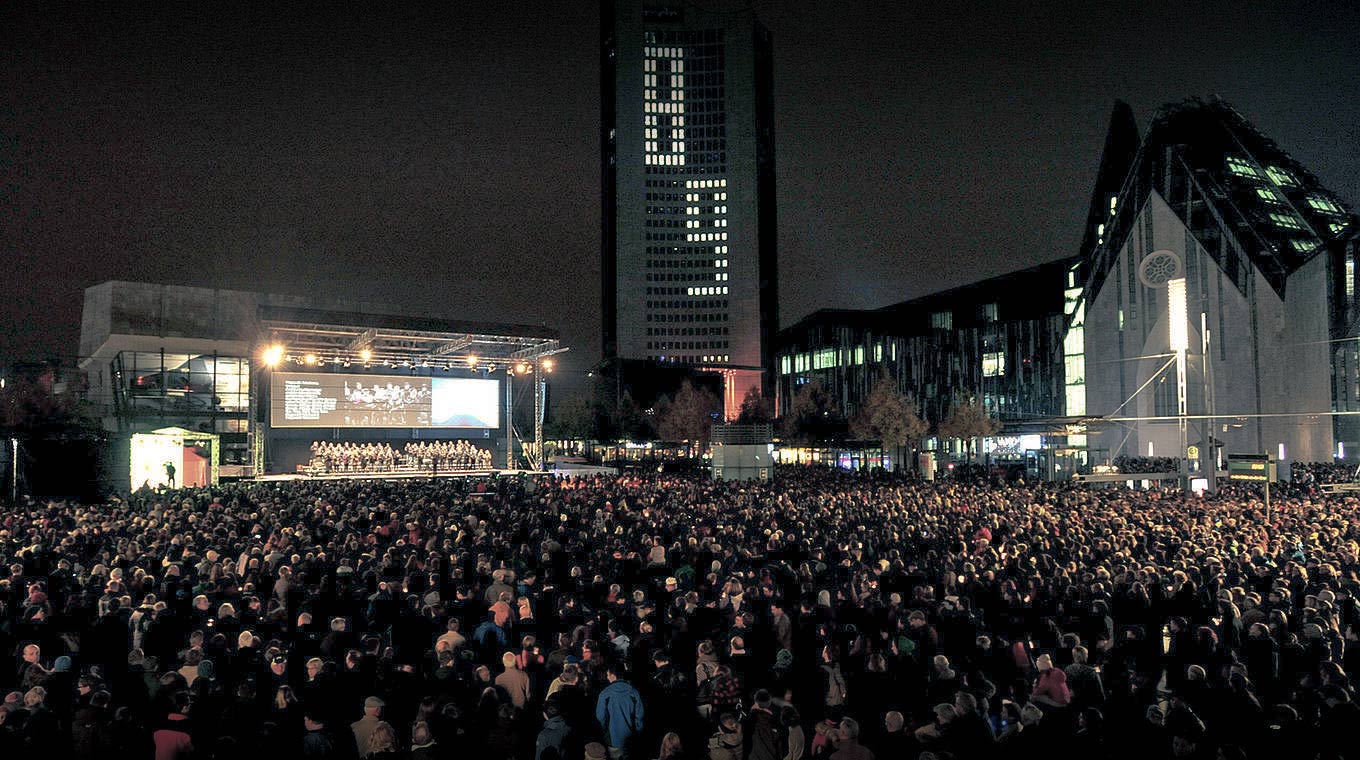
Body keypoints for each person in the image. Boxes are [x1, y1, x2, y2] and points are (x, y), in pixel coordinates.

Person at [597, 663, 645, 759]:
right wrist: (638, 734)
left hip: (612, 740)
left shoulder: (605, 694)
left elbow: (600, 717)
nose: (607, 677)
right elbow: (639, 716)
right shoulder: (634, 692)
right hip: (631, 740)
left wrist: (603, 734)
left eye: (607, 675)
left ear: (612, 675)